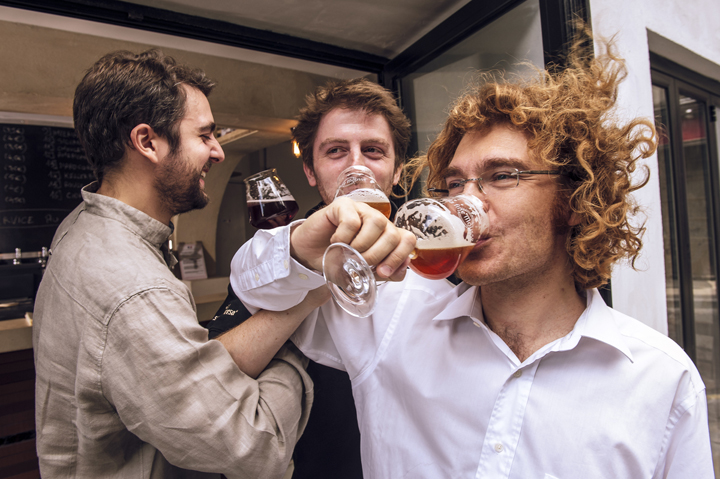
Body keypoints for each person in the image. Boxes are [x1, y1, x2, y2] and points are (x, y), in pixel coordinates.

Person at [228, 39, 715, 478]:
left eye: (502, 176)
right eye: (455, 183)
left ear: (573, 199)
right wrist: (304, 246)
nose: (467, 202)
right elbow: (252, 285)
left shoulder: (660, 380)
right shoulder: (394, 315)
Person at [32, 50, 322, 479]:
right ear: (147, 142)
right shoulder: (133, 289)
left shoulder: (82, 224)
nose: (218, 152)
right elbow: (254, 445)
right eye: (205, 135)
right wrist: (298, 336)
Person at [207, 77, 411, 479]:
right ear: (310, 171)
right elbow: (215, 376)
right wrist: (314, 279)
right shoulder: (280, 258)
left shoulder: (435, 263)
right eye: (336, 151)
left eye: (373, 150)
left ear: (398, 170)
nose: (356, 165)